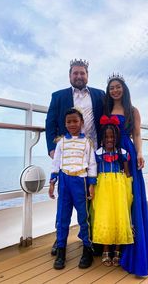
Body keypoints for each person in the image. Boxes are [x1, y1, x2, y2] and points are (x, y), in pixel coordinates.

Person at [104, 73, 148, 277]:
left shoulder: (132, 110)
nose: (115, 90)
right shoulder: (105, 109)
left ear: (124, 89)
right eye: (112, 87)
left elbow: (137, 133)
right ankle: (113, 245)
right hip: (108, 154)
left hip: (127, 154)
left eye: (118, 86)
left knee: (132, 199)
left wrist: (139, 153)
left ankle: (136, 252)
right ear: (108, 91)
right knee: (114, 200)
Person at [45, 59, 105, 255]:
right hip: (70, 154)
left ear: (87, 75)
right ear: (70, 75)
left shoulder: (99, 95)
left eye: (82, 73)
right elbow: (50, 122)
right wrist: (53, 149)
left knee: (92, 194)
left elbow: (106, 119)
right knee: (65, 202)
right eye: (75, 73)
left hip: (94, 152)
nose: (79, 76)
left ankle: (89, 236)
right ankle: (59, 240)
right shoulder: (58, 96)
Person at [48, 108, 97, 270]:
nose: (72, 124)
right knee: (62, 217)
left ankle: (87, 248)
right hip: (64, 180)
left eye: (75, 121)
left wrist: (91, 184)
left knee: (84, 217)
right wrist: (52, 181)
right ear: (65, 123)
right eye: (68, 121)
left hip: (80, 182)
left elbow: (91, 164)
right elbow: (56, 163)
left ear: (81, 122)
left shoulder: (87, 142)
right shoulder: (61, 142)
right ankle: (61, 250)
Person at [91, 115, 134, 267]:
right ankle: (105, 249)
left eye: (112, 137)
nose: (109, 140)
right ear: (102, 138)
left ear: (117, 138)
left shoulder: (123, 153)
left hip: (119, 187)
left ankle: (117, 250)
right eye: (107, 137)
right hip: (103, 187)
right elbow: (93, 173)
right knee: (105, 215)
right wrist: (92, 187)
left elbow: (127, 173)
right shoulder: (97, 154)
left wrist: (129, 189)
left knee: (119, 216)